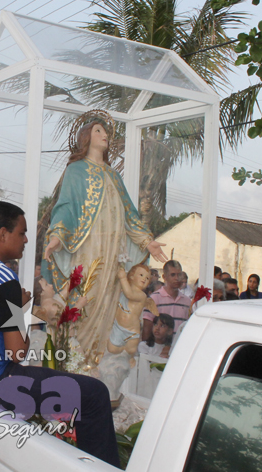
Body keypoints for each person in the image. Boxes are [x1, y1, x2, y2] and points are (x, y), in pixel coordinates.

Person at [0, 201, 121, 467]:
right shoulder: (4, 279)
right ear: (2, 234)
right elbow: (17, 352)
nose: (25, 240)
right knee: (94, 394)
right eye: (22, 233)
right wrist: (20, 311)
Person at [43, 111, 167, 368]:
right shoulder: (76, 170)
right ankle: (74, 359)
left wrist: (147, 241)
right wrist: (57, 236)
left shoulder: (113, 175)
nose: (105, 135)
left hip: (113, 250)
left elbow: (129, 215)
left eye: (105, 131)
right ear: (86, 138)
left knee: (108, 299)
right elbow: (65, 206)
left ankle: (95, 361)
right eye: (98, 131)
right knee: (87, 298)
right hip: (88, 247)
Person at [142, 260, 191, 341]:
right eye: (173, 275)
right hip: (157, 350)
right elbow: (147, 328)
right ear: (164, 277)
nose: (176, 278)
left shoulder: (187, 302)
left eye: (179, 275)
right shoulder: (153, 299)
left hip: (178, 348)